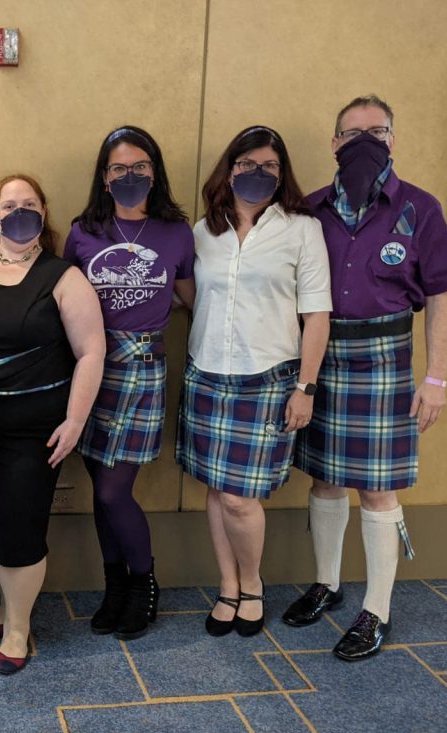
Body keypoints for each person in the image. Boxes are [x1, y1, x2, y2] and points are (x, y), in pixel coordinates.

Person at [286, 95, 447, 660]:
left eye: (377, 130)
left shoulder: (419, 208)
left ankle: (378, 609)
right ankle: (327, 583)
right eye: (352, 132)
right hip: (320, 357)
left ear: (392, 139)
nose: (364, 140)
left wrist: (436, 378)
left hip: (385, 363)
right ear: (335, 143)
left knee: (377, 487)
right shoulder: (312, 208)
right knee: (323, 479)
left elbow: (441, 298)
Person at [0, 174, 105, 674]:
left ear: (43, 212)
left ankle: (18, 628)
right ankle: (8, 606)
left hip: (33, 430)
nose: (19, 212)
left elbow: (92, 351)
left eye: (29, 204)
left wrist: (76, 419)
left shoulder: (64, 276)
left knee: (19, 526)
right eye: (9, 204)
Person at [178, 126, 332, 638]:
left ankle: (253, 585)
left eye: (268, 166)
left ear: (282, 173)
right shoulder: (204, 232)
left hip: (268, 380)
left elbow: (317, 316)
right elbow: (192, 296)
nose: (256, 174)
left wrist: (305, 388)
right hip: (207, 374)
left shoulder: (302, 229)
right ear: (229, 169)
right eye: (246, 164)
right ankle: (227, 585)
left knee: (243, 496)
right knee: (218, 489)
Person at [64, 126, 195, 640]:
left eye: (141, 166)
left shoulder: (175, 232)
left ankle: (143, 585)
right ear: (104, 175)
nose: (130, 176)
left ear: (155, 171)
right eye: (119, 168)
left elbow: (189, 296)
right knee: (101, 490)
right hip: (90, 365)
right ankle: (114, 587)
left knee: (117, 490)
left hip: (142, 367)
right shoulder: (83, 231)